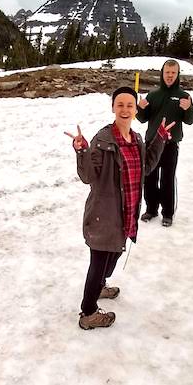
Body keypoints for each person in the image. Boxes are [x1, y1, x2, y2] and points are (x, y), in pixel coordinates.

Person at [65, 87, 175, 330]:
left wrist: (159, 139)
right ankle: (88, 312)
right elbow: (88, 176)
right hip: (104, 212)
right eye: (120, 105)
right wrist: (81, 150)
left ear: (136, 109)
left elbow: (146, 168)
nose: (125, 109)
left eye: (130, 105)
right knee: (100, 259)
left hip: (127, 211)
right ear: (113, 108)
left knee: (114, 253)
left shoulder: (136, 140)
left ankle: (100, 285)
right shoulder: (103, 139)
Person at [136, 59, 193, 227]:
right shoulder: (153, 95)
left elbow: (190, 120)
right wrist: (140, 108)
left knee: (167, 179)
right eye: (167, 72)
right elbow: (141, 119)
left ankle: (167, 213)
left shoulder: (184, 96)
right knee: (149, 177)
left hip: (170, 144)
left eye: (173, 73)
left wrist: (188, 109)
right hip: (151, 143)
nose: (170, 76)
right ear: (162, 74)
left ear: (177, 75)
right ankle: (151, 209)